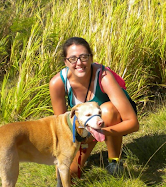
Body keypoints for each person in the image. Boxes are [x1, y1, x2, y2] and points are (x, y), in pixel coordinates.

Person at [49, 37, 139, 177]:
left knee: (107, 111)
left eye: (84, 57)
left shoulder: (104, 76)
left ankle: (114, 162)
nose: (79, 63)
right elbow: (60, 126)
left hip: (112, 118)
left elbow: (133, 124)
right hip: (86, 128)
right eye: (73, 59)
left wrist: (100, 133)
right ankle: (82, 159)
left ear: (91, 57)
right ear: (65, 61)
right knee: (68, 175)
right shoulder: (57, 83)